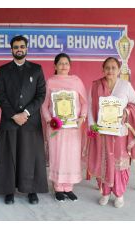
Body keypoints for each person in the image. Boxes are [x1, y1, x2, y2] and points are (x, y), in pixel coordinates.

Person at [0, 35, 48, 205]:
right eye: (16, 46)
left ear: (27, 48)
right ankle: (8, 190)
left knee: (30, 155)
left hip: (30, 120)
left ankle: (31, 189)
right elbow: (0, 95)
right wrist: (13, 115)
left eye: (22, 46)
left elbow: (41, 95)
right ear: (11, 49)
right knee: (8, 155)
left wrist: (25, 113)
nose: (19, 49)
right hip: (10, 120)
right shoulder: (3, 70)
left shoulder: (36, 69)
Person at [87, 57, 135, 208]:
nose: (110, 70)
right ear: (103, 69)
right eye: (107, 67)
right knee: (103, 161)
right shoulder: (96, 85)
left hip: (119, 132)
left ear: (118, 70)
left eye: (113, 68)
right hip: (101, 132)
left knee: (118, 163)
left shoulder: (125, 85)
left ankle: (119, 194)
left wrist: (126, 111)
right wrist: (92, 124)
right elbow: (90, 106)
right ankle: (105, 192)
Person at [41, 53, 87, 202]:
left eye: (66, 63)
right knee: (58, 155)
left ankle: (69, 187)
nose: (63, 66)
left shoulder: (76, 81)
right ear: (54, 66)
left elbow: (84, 102)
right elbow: (44, 104)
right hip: (56, 128)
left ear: (70, 65)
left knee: (71, 156)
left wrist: (82, 117)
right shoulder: (50, 82)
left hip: (73, 127)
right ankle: (58, 188)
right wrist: (49, 120)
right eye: (60, 63)